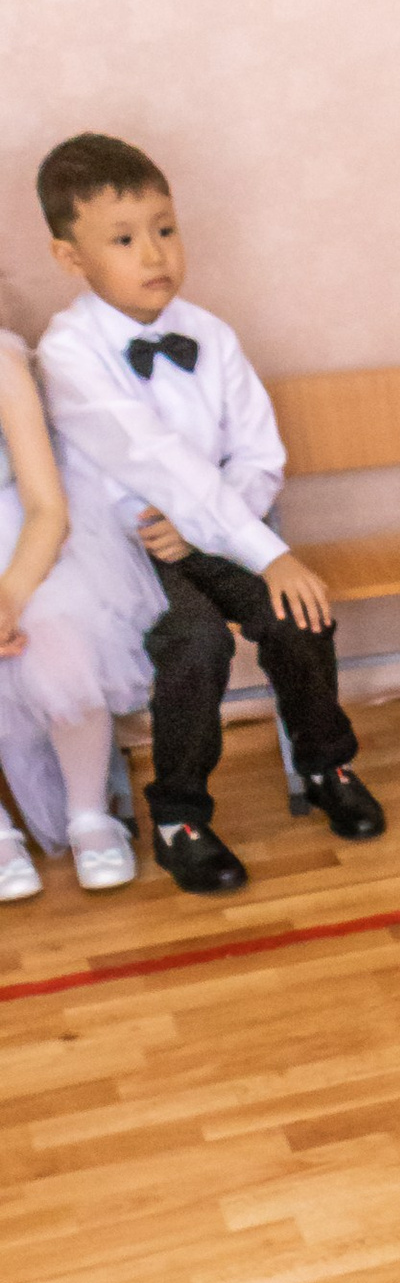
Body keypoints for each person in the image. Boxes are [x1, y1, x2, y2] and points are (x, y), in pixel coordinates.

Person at [34, 134, 384, 895]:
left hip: (215, 527)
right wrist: (262, 549)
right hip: (125, 550)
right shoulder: (68, 353)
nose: (154, 253)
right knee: (193, 644)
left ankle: (327, 764)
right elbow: (154, 458)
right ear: (70, 258)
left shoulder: (212, 335)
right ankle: (179, 815)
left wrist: (231, 538)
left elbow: (259, 455)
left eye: (165, 228)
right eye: (124, 240)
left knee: (299, 613)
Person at [0, 327, 154, 898]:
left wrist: (10, 597)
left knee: (62, 653)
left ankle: (89, 814)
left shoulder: (2, 364)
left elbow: (46, 507)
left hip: (27, 544)